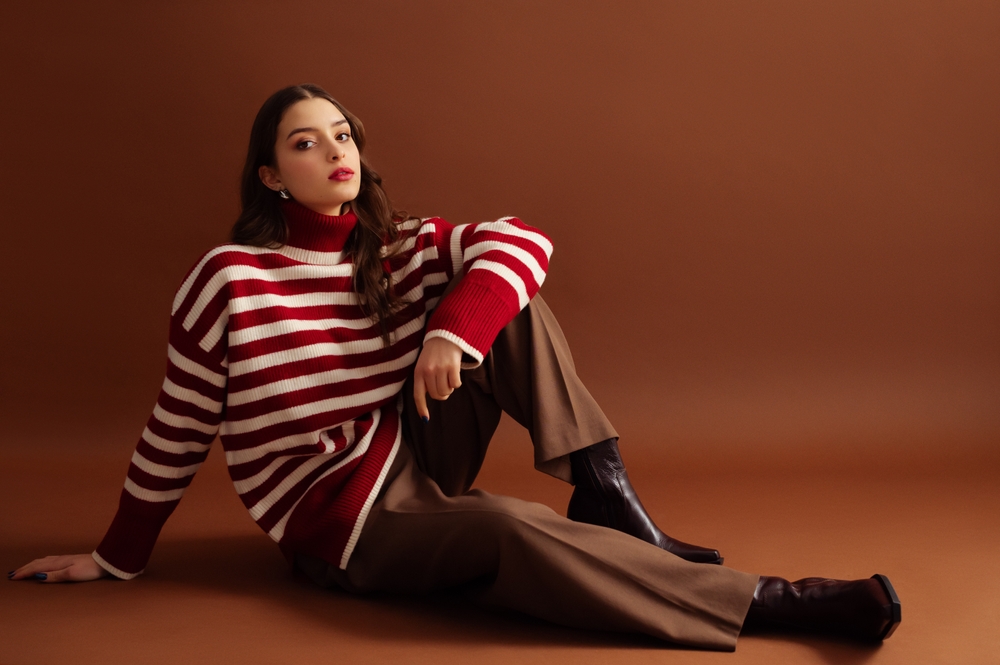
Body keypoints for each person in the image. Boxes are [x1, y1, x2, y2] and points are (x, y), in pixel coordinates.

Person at [9, 84, 901, 650]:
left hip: (412, 445)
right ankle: (771, 602)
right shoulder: (230, 278)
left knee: (505, 295)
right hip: (338, 516)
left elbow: (523, 240)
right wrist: (116, 556)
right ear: (271, 176)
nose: (334, 151)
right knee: (509, 530)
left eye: (341, 132)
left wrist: (451, 333)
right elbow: (177, 422)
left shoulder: (395, 247)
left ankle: (608, 492)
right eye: (305, 143)